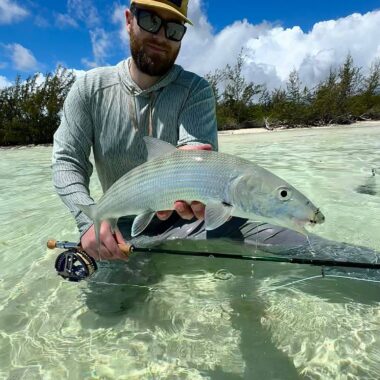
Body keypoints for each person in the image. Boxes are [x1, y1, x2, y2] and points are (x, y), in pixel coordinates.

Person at [52, 0, 218, 260]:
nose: (161, 36)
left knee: (286, 238)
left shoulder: (196, 90)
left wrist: (193, 164)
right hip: (119, 229)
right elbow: (67, 161)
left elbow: (194, 151)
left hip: (187, 222)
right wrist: (89, 223)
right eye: (150, 21)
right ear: (129, 20)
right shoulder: (88, 88)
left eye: (174, 29)